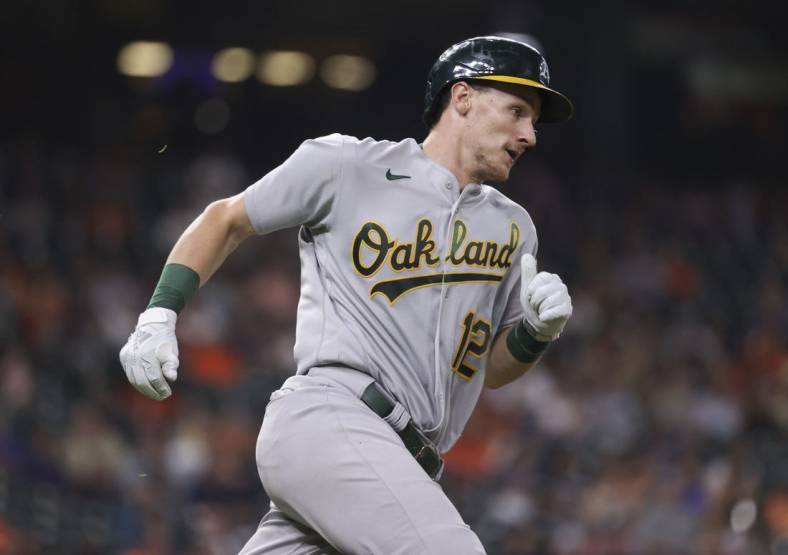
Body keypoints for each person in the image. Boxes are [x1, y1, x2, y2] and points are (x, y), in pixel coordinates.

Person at [119, 35, 575, 554]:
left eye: (533, 120)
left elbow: (489, 370)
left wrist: (534, 334)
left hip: (403, 463)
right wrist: (159, 314)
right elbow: (225, 220)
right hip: (332, 419)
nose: (529, 134)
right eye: (517, 110)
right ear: (462, 98)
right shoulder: (348, 166)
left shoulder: (514, 228)